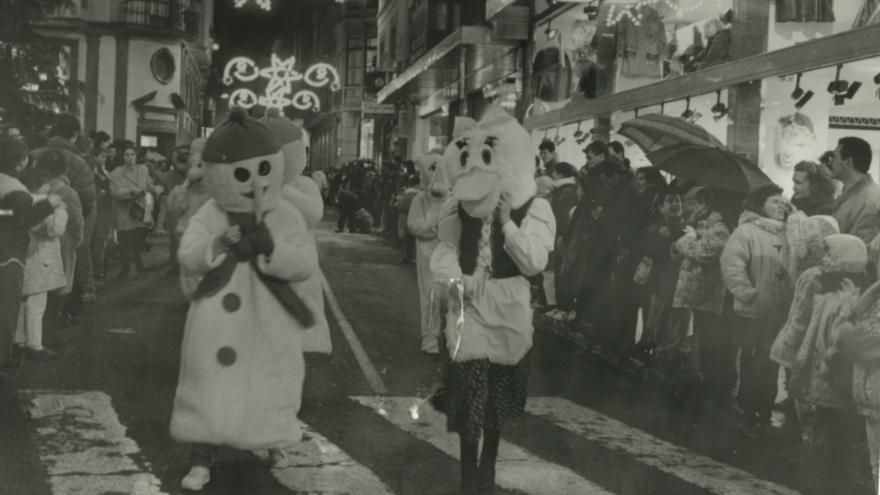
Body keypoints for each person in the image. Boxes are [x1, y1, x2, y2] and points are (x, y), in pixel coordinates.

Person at [171, 109, 318, 491]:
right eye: (240, 173)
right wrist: (218, 243)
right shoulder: (212, 211)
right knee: (208, 381)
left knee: (271, 378)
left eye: (261, 170)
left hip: (270, 314)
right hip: (217, 314)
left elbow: (304, 262)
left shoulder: (285, 213)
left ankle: (273, 442)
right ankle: (202, 458)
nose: (254, 182)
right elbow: (188, 252)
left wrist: (274, 249)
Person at [431, 109, 554, 495]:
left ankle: (487, 465)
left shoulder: (536, 209)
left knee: (495, 405)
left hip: (509, 309)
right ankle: (471, 478)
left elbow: (534, 261)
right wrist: (457, 281)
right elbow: (445, 250)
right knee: (471, 394)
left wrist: (506, 223)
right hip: (469, 307)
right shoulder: (457, 208)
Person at [721, 183, 794, 428]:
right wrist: (748, 294)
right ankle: (748, 408)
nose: (781, 206)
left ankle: (764, 408)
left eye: (783, 202)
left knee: (771, 361)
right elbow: (732, 267)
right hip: (751, 312)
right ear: (759, 205)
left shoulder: (788, 233)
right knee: (751, 359)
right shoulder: (746, 232)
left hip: (778, 313)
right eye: (775, 201)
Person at [671, 187, 733, 404]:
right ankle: (703, 377)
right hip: (700, 292)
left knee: (709, 336)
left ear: (708, 204)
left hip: (709, 292)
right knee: (702, 334)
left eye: (698, 203)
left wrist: (686, 240)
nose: (694, 208)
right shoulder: (706, 226)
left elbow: (708, 253)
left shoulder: (719, 227)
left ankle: (710, 382)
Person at [0, 137, 56, 376]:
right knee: (6, 309)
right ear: (21, 160)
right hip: (8, 253)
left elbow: (5, 212)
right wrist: (49, 204)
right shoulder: (15, 188)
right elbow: (22, 219)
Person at [31, 115, 97, 311]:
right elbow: (87, 198)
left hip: (33, 225)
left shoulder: (33, 155)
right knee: (66, 269)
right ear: (74, 135)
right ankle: (66, 309)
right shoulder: (78, 161)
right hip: (65, 227)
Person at [15, 167, 68, 360]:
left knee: (21, 302)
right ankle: (35, 344)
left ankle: (18, 341)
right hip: (40, 258)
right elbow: (53, 229)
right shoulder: (41, 203)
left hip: (24, 256)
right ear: (43, 183)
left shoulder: (21, 200)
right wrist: (61, 211)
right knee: (37, 303)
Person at [35, 150, 84, 336]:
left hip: (39, 246)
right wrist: (74, 244)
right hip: (63, 245)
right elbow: (77, 224)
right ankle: (50, 334)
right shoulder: (68, 192)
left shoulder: (38, 188)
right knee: (59, 290)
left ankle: (39, 334)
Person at [635, 190, 685, 358]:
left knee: (671, 319)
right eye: (670, 201)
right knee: (654, 314)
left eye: (678, 200)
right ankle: (648, 343)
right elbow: (645, 246)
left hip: (677, 280)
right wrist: (660, 238)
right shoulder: (655, 226)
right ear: (661, 207)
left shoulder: (687, 227)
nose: (676, 204)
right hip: (658, 279)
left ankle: (664, 352)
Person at [109, 144, 157, 278]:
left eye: (132, 155)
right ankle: (125, 269)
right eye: (127, 155)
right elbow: (114, 192)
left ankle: (138, 264)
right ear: (122, 157)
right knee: (124, 241)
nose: (130, 158)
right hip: (123, 211)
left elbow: (149, 185)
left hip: (140, 210)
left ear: (136, 156)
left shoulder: (143, 170)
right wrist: (130, 191)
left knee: (138, 238)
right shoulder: (116, 173)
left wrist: (156, 190)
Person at [830, 137, 880, 246]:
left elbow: (863, 254)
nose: (830, 161)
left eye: (834, 157)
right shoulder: (848, 193)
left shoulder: (870, 201)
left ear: (848, 161)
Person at [91, 147, 112, 283]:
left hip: (105, 209)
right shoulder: (95, 173)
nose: (103, 159)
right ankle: (97, 270)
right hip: (99, 208)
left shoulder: (103, 171)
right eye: (101, 156)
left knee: (101, 239)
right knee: (98, 239)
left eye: (105, 156)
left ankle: (99, 268)